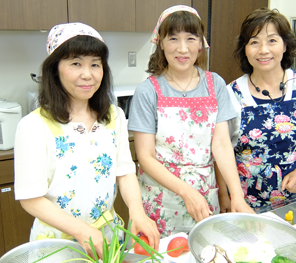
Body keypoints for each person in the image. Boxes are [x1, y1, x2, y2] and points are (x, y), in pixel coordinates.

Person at [14, 22, 159, 259]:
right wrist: (82, 231)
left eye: (95, 64)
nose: (87, 74)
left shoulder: (114, 117)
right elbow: (30, 198)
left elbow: (124, 172)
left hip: (108, 237)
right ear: (55, 70)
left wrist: (137, 211)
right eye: (75, 63)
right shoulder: (33, 125)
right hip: (58, 244)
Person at [128, 5, 254, 238]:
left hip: (206, 196)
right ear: (161, 43)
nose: (182, 48)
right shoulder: (148, 91)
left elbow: (222, 145)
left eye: (191, 38)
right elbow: (145, 158)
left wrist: (235, 195)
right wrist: (186, 192)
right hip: (161, 200)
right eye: (173, 38)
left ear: (201, 43)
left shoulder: (215, 84)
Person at [225, 8, 296, 210]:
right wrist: (225, 198)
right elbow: (222, 151)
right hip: (244, 204)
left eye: (272, 40)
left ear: (285, 45)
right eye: (254, 42)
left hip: (295, 200)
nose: (263, 50)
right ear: (245, 49)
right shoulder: (231, 94)